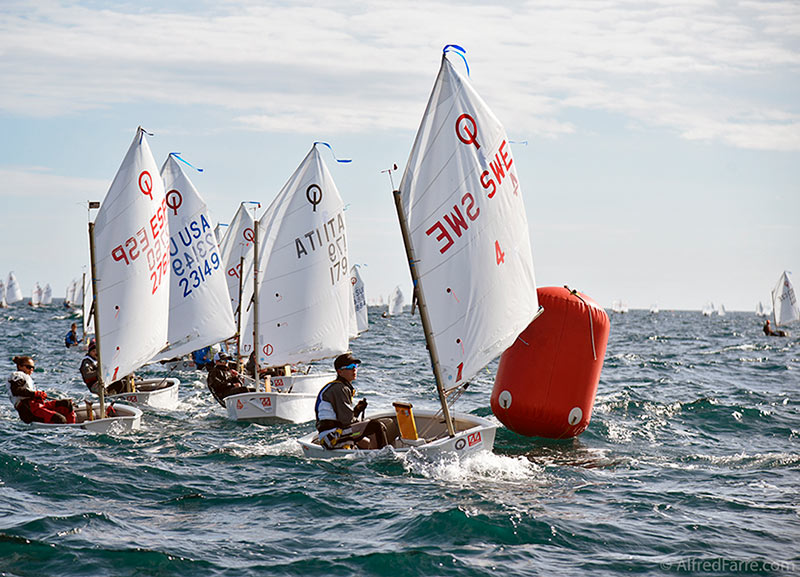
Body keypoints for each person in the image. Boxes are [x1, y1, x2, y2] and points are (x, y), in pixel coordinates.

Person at [314, 353, 389, 450]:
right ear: (340, 372)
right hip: (332, 438)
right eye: (350, 367)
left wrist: (357, 411)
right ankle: (383, 458)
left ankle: (374, 454)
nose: (354, 369)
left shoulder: (337, 386)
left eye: (355, 366)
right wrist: (362, 420)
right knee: (376, 426)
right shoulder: (339, 388)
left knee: (366, 443)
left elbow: (343, 420)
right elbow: (346, 421)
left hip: (331, 436)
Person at [7, 355, 75, 424]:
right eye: (28, 367)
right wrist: (35, 394)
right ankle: (67, 427)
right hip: (28, 410)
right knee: (60, 419)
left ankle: (72, 426)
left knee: (67, 404)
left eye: (33, 368)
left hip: (36, 406)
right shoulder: (17, 375)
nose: (31, 370)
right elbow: (16, 390)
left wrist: (39, 395)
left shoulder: (26, 378)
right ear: (20, 366)